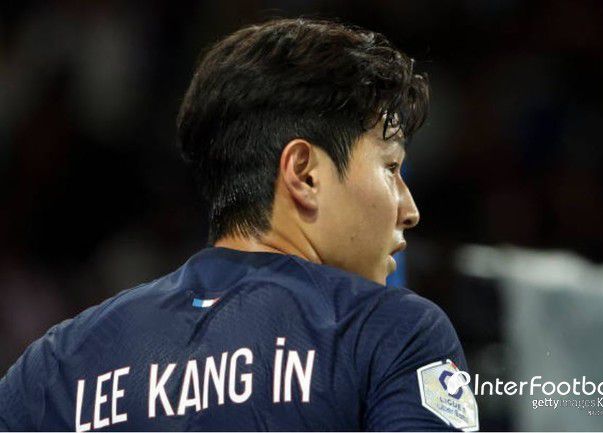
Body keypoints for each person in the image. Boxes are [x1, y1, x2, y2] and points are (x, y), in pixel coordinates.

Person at [0, 18, 478, 431]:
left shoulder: (55, 366)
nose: (409, 209)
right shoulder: (394, 333)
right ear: (304, 174)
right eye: (391, 168)